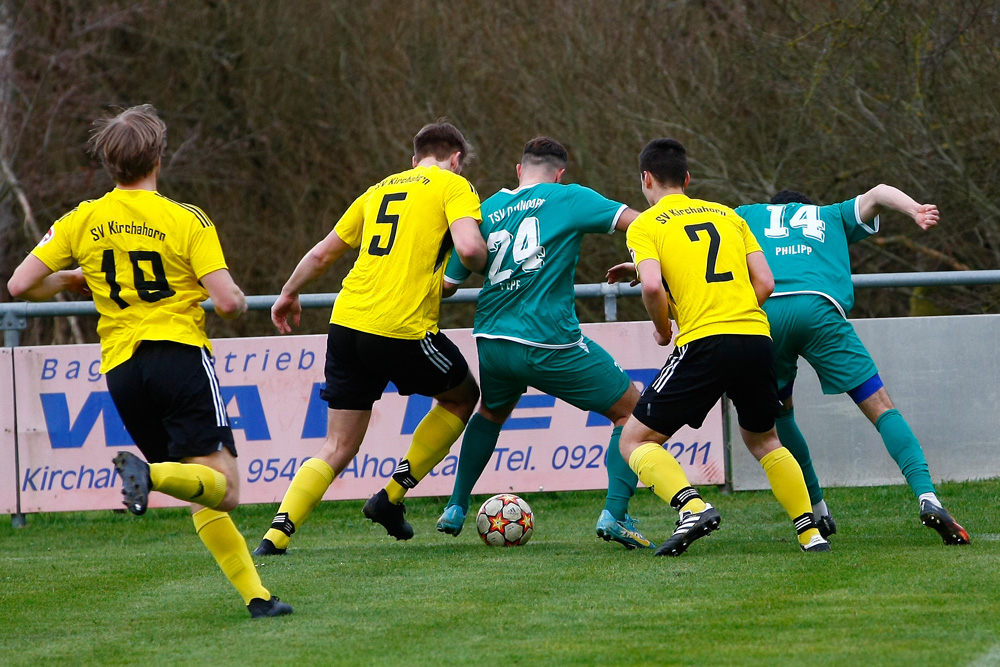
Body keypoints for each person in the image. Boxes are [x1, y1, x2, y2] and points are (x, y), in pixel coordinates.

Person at [6, 104, 292, 618]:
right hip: (176, 356)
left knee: (199, 486)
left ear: (109, 164)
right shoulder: (186, 219)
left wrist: (74, 278)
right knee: (224, 488)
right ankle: (150, 476)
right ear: (158, 157)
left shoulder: (82, 219)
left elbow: (19, 284)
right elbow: (227, 303)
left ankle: (258, 598)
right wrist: (242, 298)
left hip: (122, 370)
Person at [254, 121, 487, 555]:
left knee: (338, 444)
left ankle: (275, 537)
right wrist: (492, 263)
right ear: (456, 159)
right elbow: (471, 251)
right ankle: (390, 497)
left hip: (346, 325)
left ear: (413, 158)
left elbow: (324, 252)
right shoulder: (454, 186)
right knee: (462, 396)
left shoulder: (378, 190)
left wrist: (288, 292)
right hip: (400, 327)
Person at [611, 138, 828, 556]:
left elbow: (654, 285)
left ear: (645, 179)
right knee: (765, 440)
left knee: (635, 441)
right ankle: (810, 532)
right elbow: (765, 283)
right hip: (755, 337)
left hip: (704, 343)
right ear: (688, 179)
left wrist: (661, 330)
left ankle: (691, 508)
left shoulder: (646, 224)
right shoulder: (728, 216)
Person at [434, 137, 654, 550]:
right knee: (632, 411)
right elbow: (642, 222)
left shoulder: (485, 210)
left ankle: (456, 506)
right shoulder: (569, 197)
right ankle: (615, 513)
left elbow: (448, 284)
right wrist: (647, 262)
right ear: (560, 173)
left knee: (491, 412)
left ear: (519, 170)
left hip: (492, 339)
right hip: (547, 341)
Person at [733, 188, 969, 545]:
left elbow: (696, 236)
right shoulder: (828, 214)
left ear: (772, 207)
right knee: (881, 408)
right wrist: (915, 210)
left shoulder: (747, 214)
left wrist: (649, 266)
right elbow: (879, 192)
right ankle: (927, 496)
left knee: (781, 417)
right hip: (820, 310)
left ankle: (817, 509)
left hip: (765, 313)